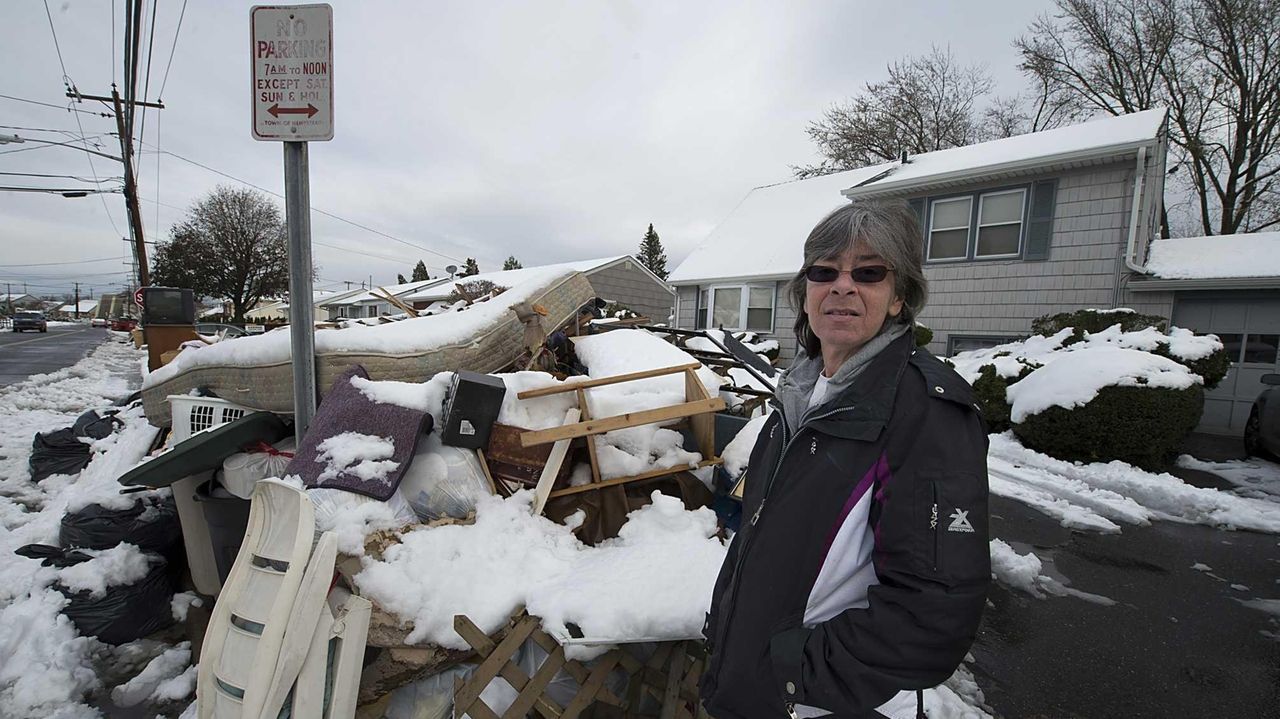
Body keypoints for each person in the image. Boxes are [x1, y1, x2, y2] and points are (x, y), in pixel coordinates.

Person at [700, 200, 990, 719]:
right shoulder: (800, 397)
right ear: (806, 292)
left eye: (869, 272)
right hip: (753, 688)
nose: (842, 285)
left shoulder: (926, 412)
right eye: (824, 271)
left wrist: (793, 673)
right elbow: (759, 538)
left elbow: (934, 610)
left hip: (823, 703)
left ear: (900, 297)